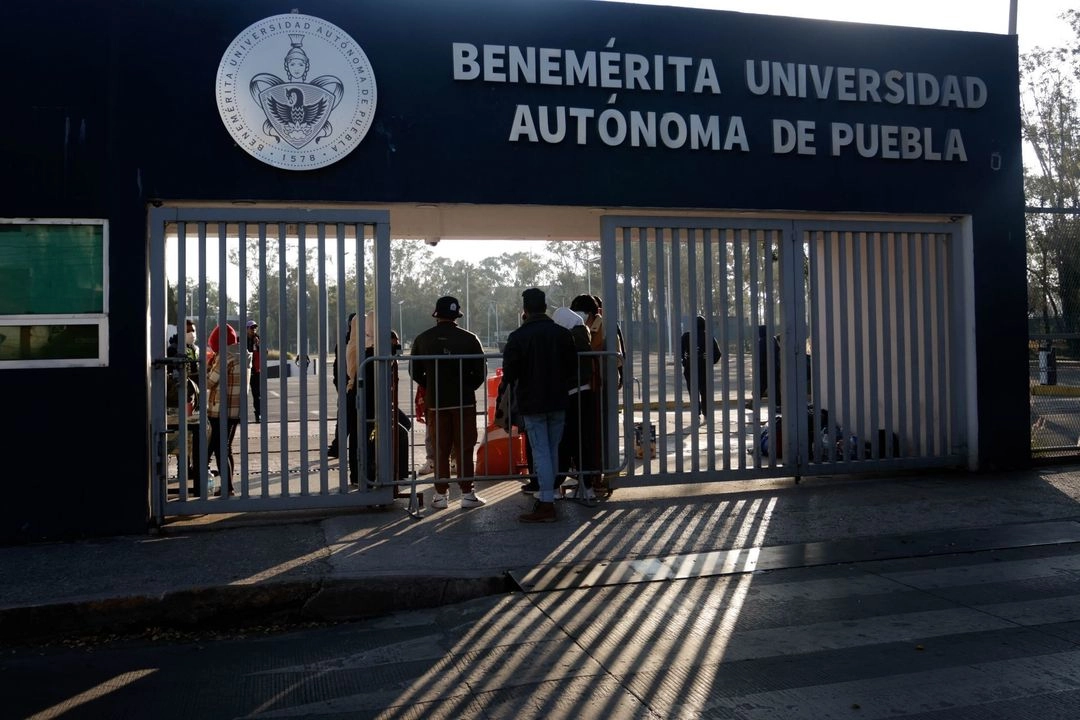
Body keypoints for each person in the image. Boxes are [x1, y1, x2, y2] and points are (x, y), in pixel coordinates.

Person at [502, 289, 577, 523]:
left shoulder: (518, 336)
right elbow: (571, 367)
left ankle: (546, 503)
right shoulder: (562, 334)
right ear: (545, 307)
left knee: (541, 451)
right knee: (553, 449)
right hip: (558, 399)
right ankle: (550, 495)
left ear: (525, 310)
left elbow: (510, 372)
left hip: (532, 401)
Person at [409, 296, 487, 509]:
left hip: (436, 402)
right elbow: (480, 372)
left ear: (437, 315)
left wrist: (432, 384)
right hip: (464, 402)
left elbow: (414, 371)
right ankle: (467, 493)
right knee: (464, 447)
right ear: (456, 316)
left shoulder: (423, 339)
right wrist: (466, 386)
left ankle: (440, 495)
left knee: (441, 448)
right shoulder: (470, 339)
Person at [553, 306, 599, 506]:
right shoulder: (583, 334)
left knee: (564, 442)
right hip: (586, 392)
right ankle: (587, 487)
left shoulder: (569, 339)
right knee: (584, 441)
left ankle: (556, 487)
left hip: (570, 394)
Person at [206, 323, 247, 497]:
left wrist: (206, 367)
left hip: (221, 409)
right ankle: (228, 487)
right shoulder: (243, 354)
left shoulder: (225, 356)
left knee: (219, 447)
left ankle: (227, 488)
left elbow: (209, 381)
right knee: (226, 447)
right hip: (236, 409)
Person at [680, 315, 722, 420]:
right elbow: (717, 354)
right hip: (705, 369)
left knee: (693, 392)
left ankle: (696, 413)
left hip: (690, 369)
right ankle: (706, 413)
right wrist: (710, 359)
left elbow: (679, 352)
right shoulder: (708, 337)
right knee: (705, 392)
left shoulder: (686, 336)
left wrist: (685, 360)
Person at [327, 312, 356, 459]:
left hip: (351, 383)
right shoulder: (345, 341)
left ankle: (338, 446)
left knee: (346, 416)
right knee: (345, 415)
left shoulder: (365, 339)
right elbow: (338, 365)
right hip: (348, 384)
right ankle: (338, 446)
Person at [246, 320, 262, 422]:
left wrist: (258, 344)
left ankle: (258, 415)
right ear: (247, 329)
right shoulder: (241, 340)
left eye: (255, 327)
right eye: (252, 328)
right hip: (245, 370)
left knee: (257, 395)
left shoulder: (258, 339)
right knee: (242, 394)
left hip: (256, 371)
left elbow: (265, 352)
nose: (254, 329)